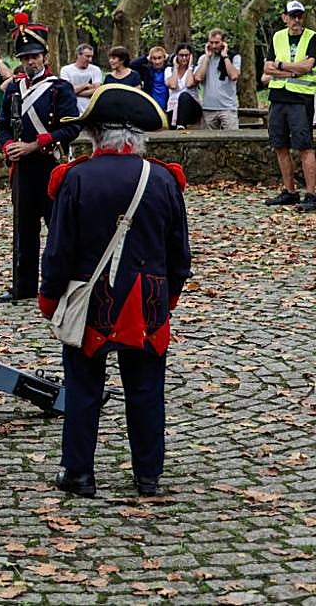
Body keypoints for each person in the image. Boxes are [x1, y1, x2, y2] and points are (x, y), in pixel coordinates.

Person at [39, 84, 191, 498]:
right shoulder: (164, 179)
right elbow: (179, 254)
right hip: (148, 299)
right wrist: (169, 298)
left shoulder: (75, 178)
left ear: (96, 134)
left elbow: (59, 250)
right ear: (137, 137)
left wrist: (50, 297)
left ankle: (79, 474)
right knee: (146, 390)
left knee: (83, 388)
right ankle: (148, 476)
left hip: (93, 300)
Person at [0, 13, 80, 302]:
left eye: (34, 56)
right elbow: (3, 124)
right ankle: (24, 286)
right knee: (24, 230)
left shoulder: (60, 88)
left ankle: (57, 285)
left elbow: (72, 128)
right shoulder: (14, 88)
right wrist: (8, 145)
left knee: (57, 229)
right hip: (23, 169)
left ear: (44, 56)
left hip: (50, 165)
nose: (30, 62)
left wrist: (35, 144)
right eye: (25, 58)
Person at [262, 0, 316, 210]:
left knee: (305, 146)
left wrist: (281, 66)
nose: (297, 20)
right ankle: (290, 191)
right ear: (284, 18)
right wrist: (291, 72)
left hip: (301, 99)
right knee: (280, 145)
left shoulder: (312, 37)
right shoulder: (277, 37)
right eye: (292, 16)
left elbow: (307, 66)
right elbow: (267, 68)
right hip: (277, 97)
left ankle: (311, 194)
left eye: (300, 16)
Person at [191, 28, 241, 129]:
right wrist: (207, 57)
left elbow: (234, 76)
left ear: (224, 42)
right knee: (208, 138)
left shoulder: (234, 57)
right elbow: (198, 78)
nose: (214, 46)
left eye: (217, 43)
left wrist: (225, 57)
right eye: (211, 42)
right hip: (208, 108)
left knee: (232, 137)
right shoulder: (203, 59)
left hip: (228, 108)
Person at [58, 44, 102, 113]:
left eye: (91, 56)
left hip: (90, 110)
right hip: (71, 109)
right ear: (78, 55)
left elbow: (97, 91)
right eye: (87, 56)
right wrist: (86, 85)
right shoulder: (66, 70)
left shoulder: (96, 70)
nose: (90, 59)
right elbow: (66, 91)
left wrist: (74, 91)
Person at [165, 43, 201, 128]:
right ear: (176, 56)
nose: (184, 58)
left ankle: (181, 125)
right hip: (173, 107)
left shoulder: (195, 70)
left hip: (192, 107)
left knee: (184, 95)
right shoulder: (169, 70)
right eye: (181, 55)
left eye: (186, 55)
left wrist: (190, 67)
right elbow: (173, 85)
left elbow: (189, 84)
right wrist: (175, 67)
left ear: (190, 56)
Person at [130, 45, 169, 112]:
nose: (157, 62)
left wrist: (169, 57)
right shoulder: (146, 70)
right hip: (150, 105)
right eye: (154, 58)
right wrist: (146, 58)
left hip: (167, 105)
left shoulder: (169, 69)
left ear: (164, 58)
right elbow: (131, 65)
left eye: (159, 58)